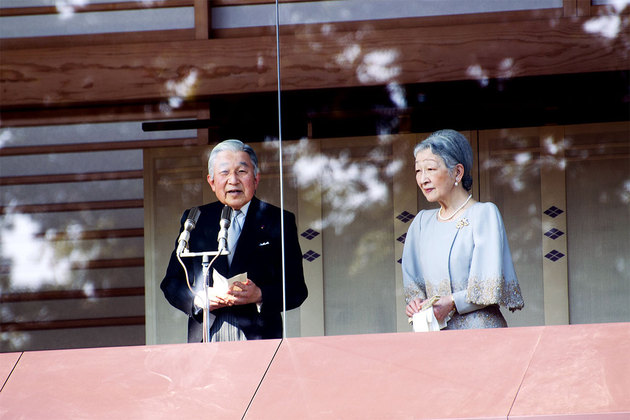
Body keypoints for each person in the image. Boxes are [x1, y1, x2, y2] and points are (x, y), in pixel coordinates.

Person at [161, 139, 308, 342]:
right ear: (212, 182)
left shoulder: (278, 220)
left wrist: (259, 294)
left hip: (259, 337)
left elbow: (297, 289)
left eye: (241, 171)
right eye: (224, 172)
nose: (233, 180)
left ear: (256, 179)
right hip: (207, 336)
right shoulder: (196, 219)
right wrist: (198, 299)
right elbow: (170, 283)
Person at [402, 129, 524, 330]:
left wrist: (450, 302)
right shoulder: (421, 223)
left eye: (430, 169)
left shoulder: (483, 214)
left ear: (457, 172)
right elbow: (414, 284)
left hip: (480, 335)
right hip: (435, 337)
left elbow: (487, 286)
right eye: (418, 171)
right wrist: (416, 303)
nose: (423, 179)